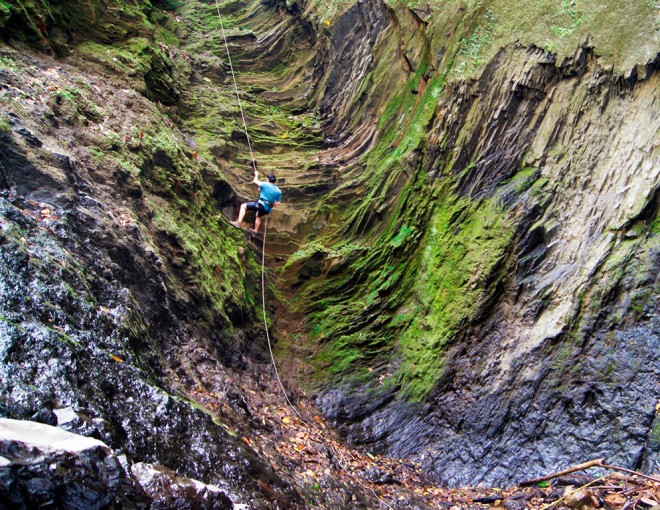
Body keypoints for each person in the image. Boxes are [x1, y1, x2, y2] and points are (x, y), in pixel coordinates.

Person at [230, 167, 282, 234]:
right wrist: (271, 205)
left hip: (261, 204)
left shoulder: (265, 184)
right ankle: (255, 231)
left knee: (243, 206)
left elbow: (255, 181)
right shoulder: (278, 191)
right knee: (258, 215)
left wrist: (256, 174)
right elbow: (278, 202)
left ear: (268, 179)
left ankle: (238, 222)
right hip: (267, 209)